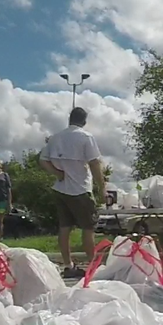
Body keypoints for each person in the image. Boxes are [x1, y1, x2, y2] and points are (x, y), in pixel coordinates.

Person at [40, 107, 106, 279]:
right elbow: (94, 163)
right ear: (84, 121)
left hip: (61, 189)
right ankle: (92, 265)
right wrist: (102, 187)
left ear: (70, 119)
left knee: (64, 228)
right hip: (80, 189)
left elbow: (43, 160)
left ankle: (68, 265)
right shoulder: (86, 137)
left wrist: (57, 173)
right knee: (88, 228)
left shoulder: (55, 137)